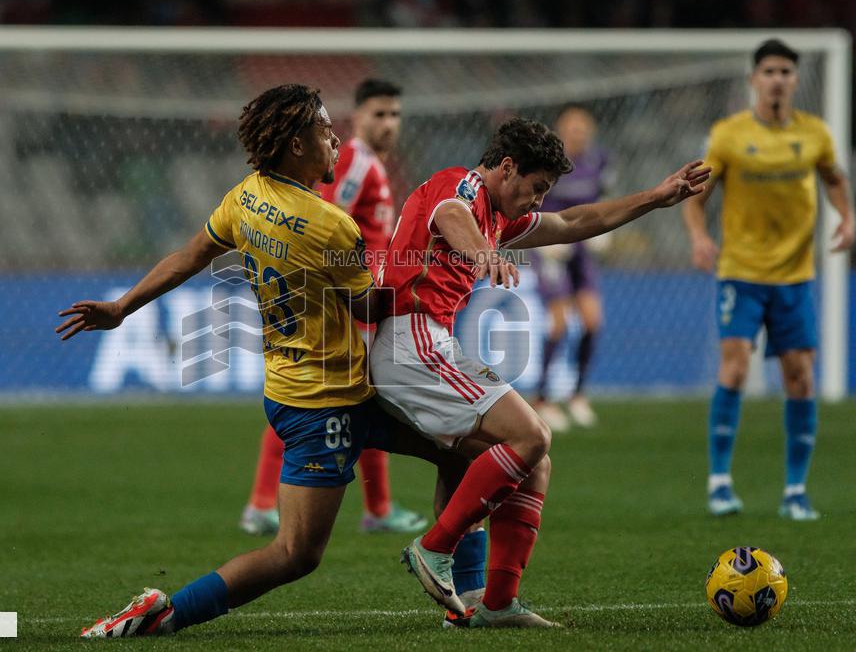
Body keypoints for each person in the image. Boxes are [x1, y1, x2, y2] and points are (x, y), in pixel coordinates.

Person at [57, 84, 469, 639]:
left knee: (463, 451)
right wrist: (425, 262)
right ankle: (164, 613)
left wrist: (122, 307)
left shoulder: (246, 196)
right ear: (297, 144)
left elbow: (190, 255)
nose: (335, 139)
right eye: (325, 131)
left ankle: (467, 598)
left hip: (304, 386)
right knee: (296, 553)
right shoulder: (331, 226)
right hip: (327, 403)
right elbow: (371, 303)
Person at [370, 117, 710, 627]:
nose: (538, 200)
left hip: (427, 343)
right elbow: (450, 214)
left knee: (534, 462)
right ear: (506, 168)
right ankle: (433, 548)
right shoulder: (462, 186)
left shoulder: (501, 218)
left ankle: (498, 603)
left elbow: (574, 223)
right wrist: (485, 254)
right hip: (408, 338)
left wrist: (654, 197)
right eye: (536, 188)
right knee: (532, 434)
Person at [240, 78, 427, 536]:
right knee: (321, 398)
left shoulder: (372, 166)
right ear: (358, 115)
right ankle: (264, 503)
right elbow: (319, 218)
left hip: (360, 294)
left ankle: (378, 509)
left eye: (394, 115)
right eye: (379, 114)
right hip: (347, 299)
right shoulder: (355, 164)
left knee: (362, 397)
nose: (388, 123)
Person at [682, 39, 854, 521]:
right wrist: (698, 238)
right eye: (769, 71)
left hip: (796, 276)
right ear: (754, 79)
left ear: (795, 80)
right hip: (741, 271)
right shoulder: (729, 135)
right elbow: (695, 195)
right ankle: (719, 483)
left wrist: (848, 215)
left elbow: (834, 177)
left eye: (785, 71)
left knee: (800, 377)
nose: (777, 79)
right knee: (734, 368)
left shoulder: (815, 133)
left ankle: (796, 490)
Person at [530, 105, 612, 432]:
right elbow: (531, 200)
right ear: (560, 133)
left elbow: (605, 196)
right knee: (559, 322)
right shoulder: (547, 163)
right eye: (571, 129)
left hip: (580, 247)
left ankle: (577, 394)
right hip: (550, 248)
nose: (577, 135)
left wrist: (605, 230)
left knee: (593, 320)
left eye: (582, 129)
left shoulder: (599, 161)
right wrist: (542, 236)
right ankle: (543, 398)